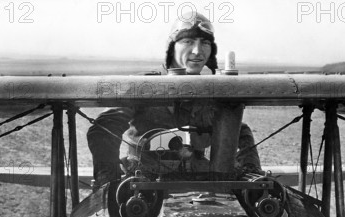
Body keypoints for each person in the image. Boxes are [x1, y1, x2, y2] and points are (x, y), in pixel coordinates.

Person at [87, 12, 261, 186]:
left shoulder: (209, 91)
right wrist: (109, 181)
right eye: (188, 41)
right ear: (172, 46)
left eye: (205, 43)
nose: (197, 51)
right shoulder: (144, 86)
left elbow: (239, 131)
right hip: (144, 185)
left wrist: (251, 174)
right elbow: (103, 128)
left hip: (199, 186)